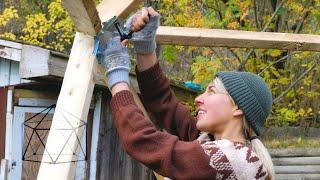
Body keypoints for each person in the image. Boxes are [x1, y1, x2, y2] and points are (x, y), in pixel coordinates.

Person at [100, 7, 275, 180]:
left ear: (237, 107)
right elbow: (163, 101)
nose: (199, 99)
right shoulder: (208, 142)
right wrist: (145, 46)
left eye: (211, 91)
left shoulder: (237, 161)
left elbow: (144, 142)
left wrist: (116, 73)